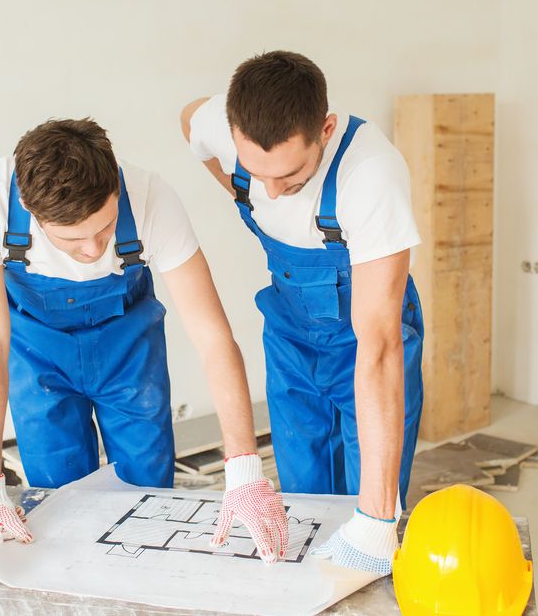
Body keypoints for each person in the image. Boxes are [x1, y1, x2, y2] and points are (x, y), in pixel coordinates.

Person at [0, 118, 287, 562]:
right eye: (72, 239)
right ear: (29, 207)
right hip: (37, 350)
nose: (92, 251)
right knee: (56, 495)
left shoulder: (152, 199)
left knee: (148, 488)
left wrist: (244, 468)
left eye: (104, 230)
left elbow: (213, 337)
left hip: (128, 347)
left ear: (117, 193)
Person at [180, 51, 424, 574]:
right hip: (291, 334)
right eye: (254, 171)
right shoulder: (224, 131)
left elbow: (378, 346)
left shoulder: (372, 175)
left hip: (366, 336)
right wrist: (240, 191)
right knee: (304, 491)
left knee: (373, 492)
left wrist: (378, 521)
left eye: (289, 175)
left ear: (326, 129)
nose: (270, 189)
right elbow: (189, 118)